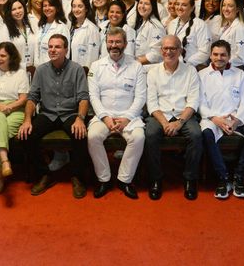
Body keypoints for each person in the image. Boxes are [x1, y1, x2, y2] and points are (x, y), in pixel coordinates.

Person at [18, 34, 90, 198]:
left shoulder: (77, 69)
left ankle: (77, 176)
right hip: (48, 113)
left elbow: (83, 97)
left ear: (66, 49)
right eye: (50, 47)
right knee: (25, 136)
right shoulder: (41, 70)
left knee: (80, 134)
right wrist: (27, 120)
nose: (52, 50)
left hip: (70, 113)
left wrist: (80, 118)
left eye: (57, 47)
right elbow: (32, 97)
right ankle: (45, 174)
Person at [87, 28, 146, 199]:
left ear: (125, 44)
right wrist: (105, 118)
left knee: (139, 137)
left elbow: (141, 97)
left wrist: (126, 118)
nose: (114, 45)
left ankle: (124, 180)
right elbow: (93, 96)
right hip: (103, 116)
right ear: (106, 44)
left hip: (129, 117)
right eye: (110, 42)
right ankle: (104, 179)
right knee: (93, 137)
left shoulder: (136, 66)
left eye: (118, 42)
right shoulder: (96, 66)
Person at [199, 40, 244, 199]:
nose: (219, 58)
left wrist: (237, 121)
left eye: (223, 55)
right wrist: (216, 119)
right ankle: (223, 178)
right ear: (210, 55)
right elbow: (199, 102)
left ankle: (239, 178)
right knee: (206, 134)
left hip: (237, 117)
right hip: (212, 117)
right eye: (215, 54)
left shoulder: (239, 74)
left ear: (229, 56)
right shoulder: (201, 75)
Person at [144, 35, 203, 200]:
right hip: (160, 115)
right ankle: (156, 178)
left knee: (196, 135)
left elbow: (193, 101)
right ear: (161, 50)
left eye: (172, 48)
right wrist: (164, 122)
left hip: (183, 115)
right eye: (165, 48)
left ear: (180, 51)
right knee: (150, 134)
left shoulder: (190, 71)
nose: (168, 52)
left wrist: (179, 122)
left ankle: (190, 179)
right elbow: (152, 103)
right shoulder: (153, 72)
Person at [0, 42, 29, 195]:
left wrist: (10, 107)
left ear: (11, 57)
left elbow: (23, 99)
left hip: (16, 110)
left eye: (3, 55)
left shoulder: (20, 73)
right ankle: (5, 162)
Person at [167, 0, 211, 68]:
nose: (179, 7)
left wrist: (186, 64)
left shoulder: (200, 25)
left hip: (193, 67)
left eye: (184, 5)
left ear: (192, 7)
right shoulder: (172, 24)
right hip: (174, 66)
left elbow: (205, 52)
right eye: (177, 4)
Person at [212, 0, 244, 69]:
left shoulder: (240, 28)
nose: (226, 9)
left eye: (230, 6)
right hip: (225, 68)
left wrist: (220, 61)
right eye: (224, 5)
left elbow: (241, 58)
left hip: (235, 71)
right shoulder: (225, 27)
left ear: (237, 9)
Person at [35, 0, 70, 66]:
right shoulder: (41, 26)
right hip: (39, 67)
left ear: (57, 8)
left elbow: (66, 54)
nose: (47, 8)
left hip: (55, 69)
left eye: (50, 5)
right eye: (45, 6)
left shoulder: (62, 28)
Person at [133, 0, 166, 67]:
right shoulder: (142, 22)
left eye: (146, 4)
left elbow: (156, 54)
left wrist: (134, 64)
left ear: (153, 6)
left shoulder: (155, 27)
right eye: (140, 3)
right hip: (139, 66)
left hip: (149, 69)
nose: (142, 6)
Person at [68, 0, 100, 70]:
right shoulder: (71, 26)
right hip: (70, 69)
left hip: (83, 72)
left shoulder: (92, 29)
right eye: (74, 6)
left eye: (80, 6)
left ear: (86, 9)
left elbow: (93, 57)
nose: (76, 9)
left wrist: (87, 73)